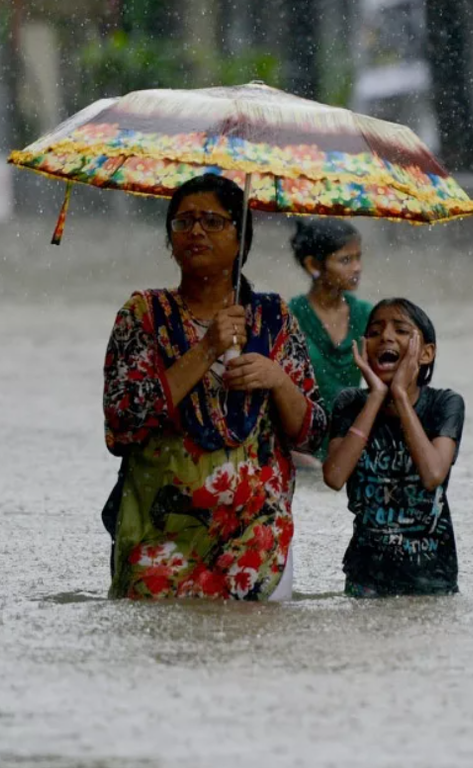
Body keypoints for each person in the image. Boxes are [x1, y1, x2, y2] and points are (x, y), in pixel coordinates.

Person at [102, 174, 326, 600]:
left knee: (248, 657)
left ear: (241, 238)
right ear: (170, 240)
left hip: (257, 535)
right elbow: (122, 424)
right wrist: (206, 349)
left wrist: (277, 380)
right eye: (182, 222)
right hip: (159, 533)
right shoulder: (143, 315)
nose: (196, 232)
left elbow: (313, 433)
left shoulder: (273, 317)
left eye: (212, 221)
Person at [322, 299, 465, 597]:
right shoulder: (350, 403)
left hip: (431, 579)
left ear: (426, 353)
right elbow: (334, 476)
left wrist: (399, 394)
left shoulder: (445, 404)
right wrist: (376, 397)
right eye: (374, 332)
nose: (385, 336)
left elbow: (432, 473)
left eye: (400, 330)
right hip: (365, 579)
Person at [286, 218, 373, 460]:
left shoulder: (367, 316)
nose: (357, 268)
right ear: (313, 264)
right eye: (346, 260)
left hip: (349, 445)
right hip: (301, 451)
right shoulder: (289, 318)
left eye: (358, 257)